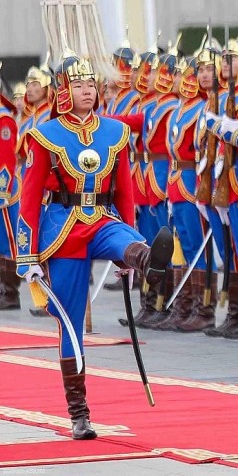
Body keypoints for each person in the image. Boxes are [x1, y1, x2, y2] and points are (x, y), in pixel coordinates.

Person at [16, 49, 173, 440]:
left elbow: (125, 192)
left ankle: (146, 259)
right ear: (64, 91)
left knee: (123, 238)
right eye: (79, 85)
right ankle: (79, 412)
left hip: (101, 218)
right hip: (62, 230)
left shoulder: (115, 131)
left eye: (91, 84)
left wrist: (133, 241)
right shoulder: (43, 136)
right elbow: (29, 198)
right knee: (70, 322)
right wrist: (27, 256)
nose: (88, 91)